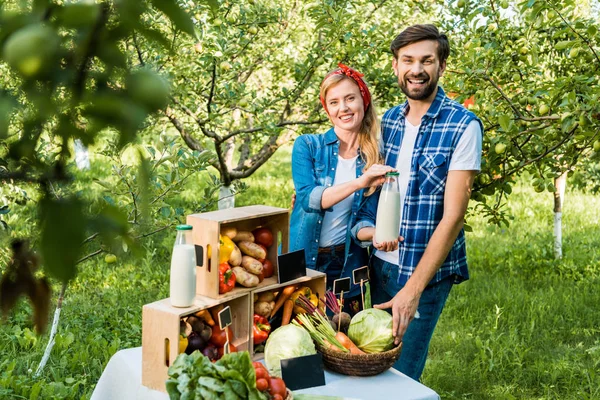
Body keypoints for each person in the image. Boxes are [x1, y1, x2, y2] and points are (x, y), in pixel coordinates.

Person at [352, 24, 483, 380]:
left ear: (442, 66)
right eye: (407, 60)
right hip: (379, 264)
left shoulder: (463, 126)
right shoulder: (388, 123)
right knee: (370, 366)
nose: (416, 69)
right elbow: (368, 194)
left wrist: (412, 290)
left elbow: (454, 216)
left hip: (423, 273)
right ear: (395, 66)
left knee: (402, 377)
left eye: (427, 60)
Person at [290, 64, 394, 313]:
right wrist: (360, 182)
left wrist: (378, 234)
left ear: (363, 101)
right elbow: (309, 199)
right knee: (299, 340)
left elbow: (361, 222)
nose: (343, 108)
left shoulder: (373, 158)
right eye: (334, 102)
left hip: (348, 262)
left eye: (350, 98)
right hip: (302, 259)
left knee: (345, 338)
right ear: (327, 109)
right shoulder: (308, 146)